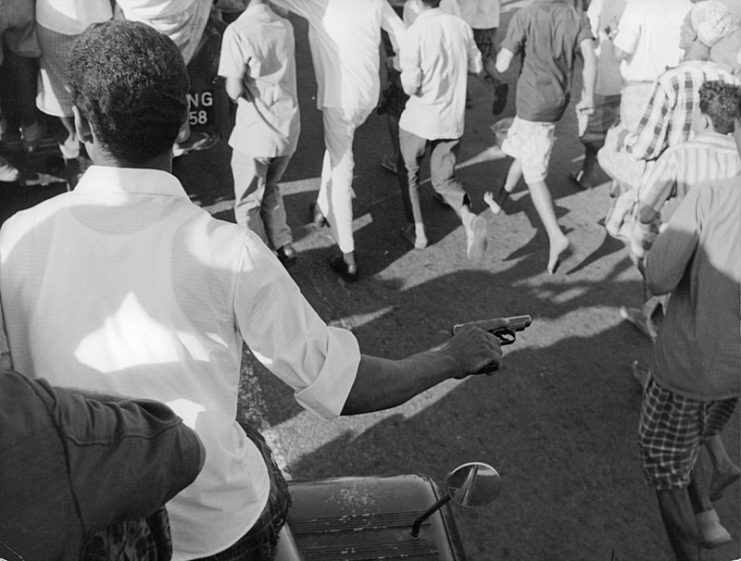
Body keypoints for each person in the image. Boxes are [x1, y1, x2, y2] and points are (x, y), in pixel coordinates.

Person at [0, 20, 504, 561]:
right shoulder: (229, 251)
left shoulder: (15, 238)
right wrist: (452, 356)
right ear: (180, 128)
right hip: (217, 531)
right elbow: (342, 385)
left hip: (83, 535)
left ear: (79, 123)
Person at [637, 94, 741, 560]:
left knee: (663, 467)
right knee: (693, 434)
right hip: (733, 372)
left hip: (687, 363)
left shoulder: (713, 196)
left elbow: (658, 275)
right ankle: (708, 515)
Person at [0, 368, 205, 560]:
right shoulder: (25, 420)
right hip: (199, 509)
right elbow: (180, 445)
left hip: (205, 513)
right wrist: (48, 403)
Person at [270, 0, 406, 281]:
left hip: (340, 100)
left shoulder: (321, 4)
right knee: (337, 151)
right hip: (368, 94)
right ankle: (322, 206)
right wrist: (399, 64)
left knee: (342, 165)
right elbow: (401, 33)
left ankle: (348, 255)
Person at [483, 0, 597, 274]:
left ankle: (555, 235)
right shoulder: (577, 16)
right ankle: (500, 198)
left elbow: (502, 65)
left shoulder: (526, 15)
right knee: (526, 152)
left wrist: (496, 57)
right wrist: (588, 96)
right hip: (557, 101)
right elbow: (591, 61)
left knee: (534, 176)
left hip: (531, 103)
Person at [397, 0, 487, 260]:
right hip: (451, 118)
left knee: (409, 173)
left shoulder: (415, 32)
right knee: (443, 179)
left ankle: (418, 231)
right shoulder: (460, 26)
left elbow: (410, 86)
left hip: (419, 119)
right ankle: (469, 218)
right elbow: (476, 66)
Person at [217, 0, 299, 267]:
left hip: (255, 134)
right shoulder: (285, 26)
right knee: (271, 188)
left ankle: (262, 261)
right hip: (287, 129)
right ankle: (283, 243)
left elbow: (233, 90)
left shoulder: (238, 31)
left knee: (247, 202)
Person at [569, 0, 626, 190]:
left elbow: (587, 35)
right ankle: (618, 181)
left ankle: (587, 174)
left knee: (594, 132)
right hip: (632, 81)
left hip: (603, 78)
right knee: (623, 130)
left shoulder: (601, 2)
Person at [457, 0, 508, 115]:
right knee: (485, 57)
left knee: (463, 59)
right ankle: (498, 83)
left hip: (472, 22)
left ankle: (465, 96)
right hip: (491, 21)